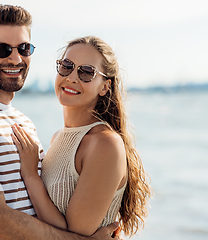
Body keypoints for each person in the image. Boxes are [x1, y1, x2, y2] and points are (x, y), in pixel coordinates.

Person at [0, 4, 120, 240]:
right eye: (2, 49)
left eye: (24, 48)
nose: (15, 58)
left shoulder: (23, 122)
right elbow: (0, 223)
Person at [12, 36, 152, 237]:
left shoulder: (105, 144)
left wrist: (31, 175)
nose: (71, 77)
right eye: (67, 66)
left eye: (86, 72)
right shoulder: (57, 138)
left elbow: (73, 235)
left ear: (105, 86)